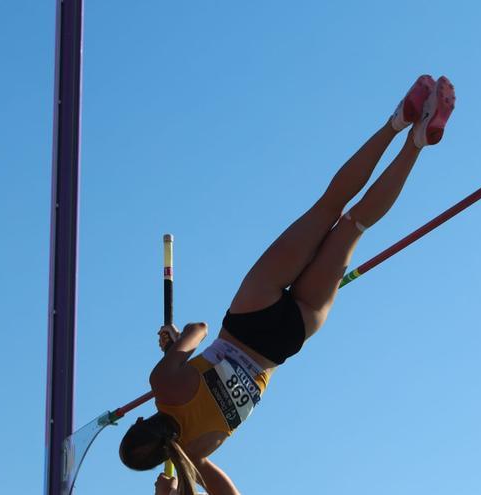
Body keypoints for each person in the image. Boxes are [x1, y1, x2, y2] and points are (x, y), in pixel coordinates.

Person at [118, 75, 455, 495]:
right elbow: (197, 331)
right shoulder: (163, 387)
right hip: (247, 319)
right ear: (138, 422)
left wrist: (175, 479)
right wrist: (176, 348)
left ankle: (417, 142)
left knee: (355, 225)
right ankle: (398, 122)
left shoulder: (196, 455)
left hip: (281, 345)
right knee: (330, 207)